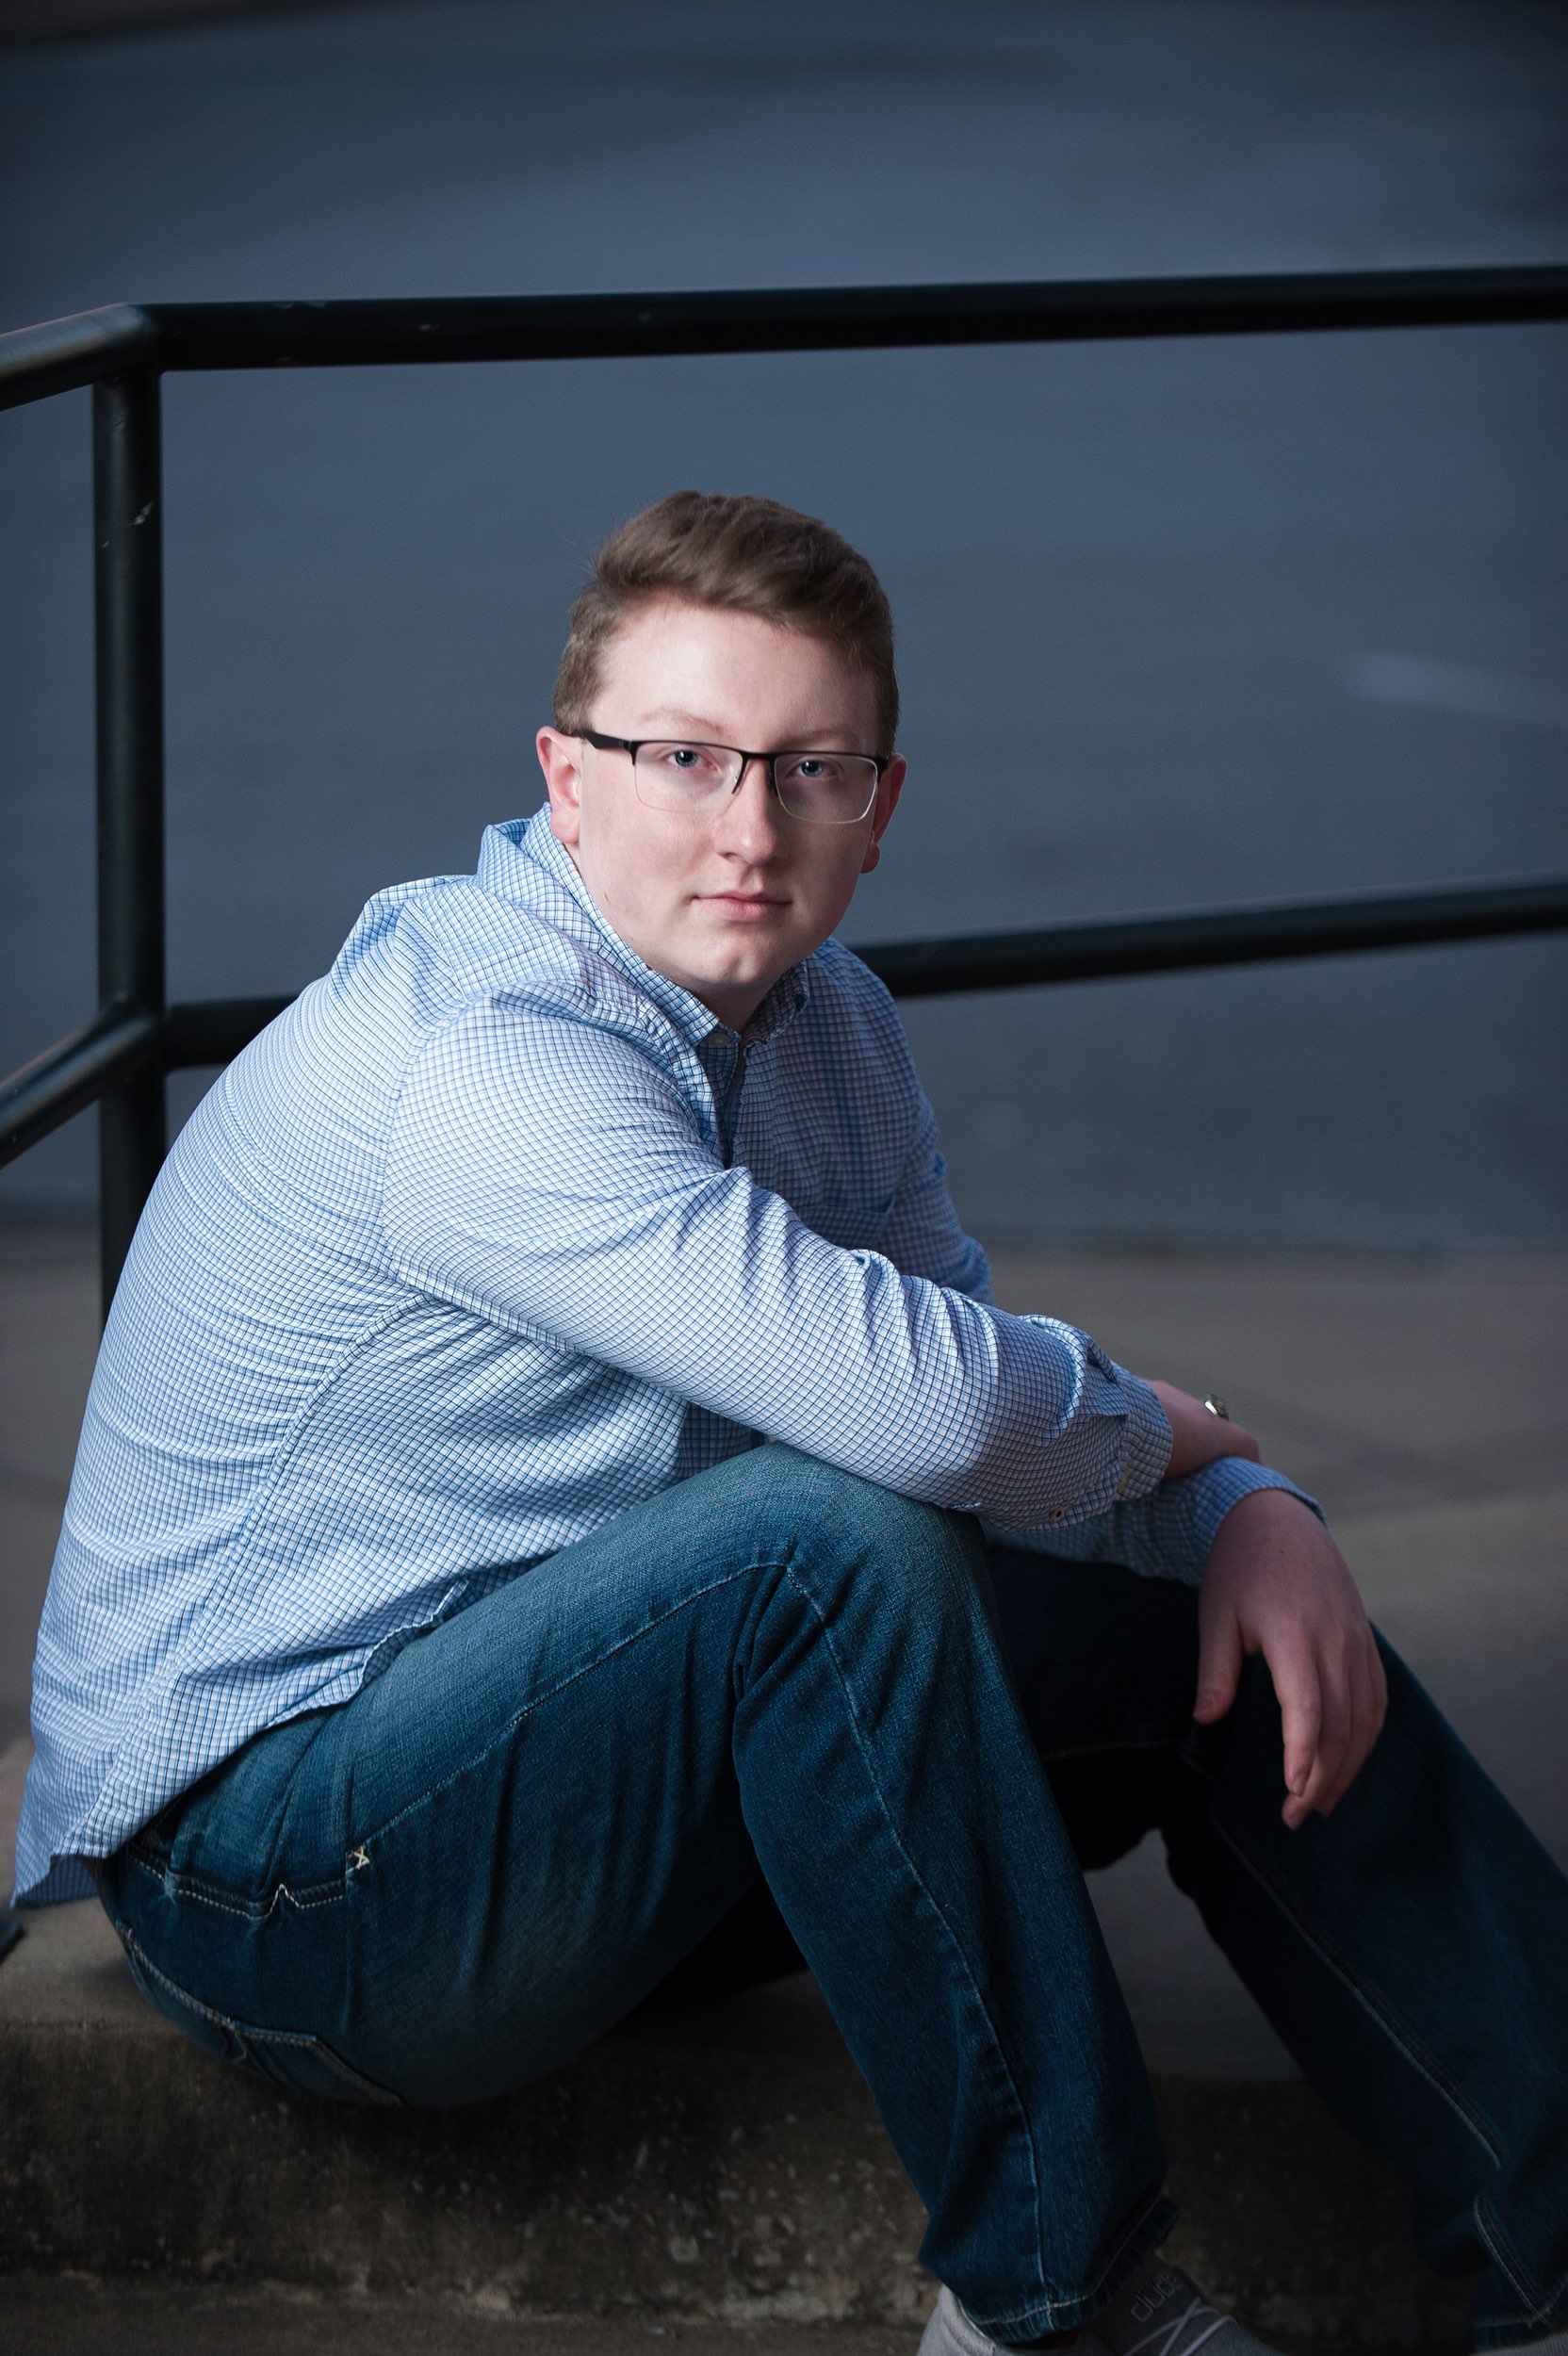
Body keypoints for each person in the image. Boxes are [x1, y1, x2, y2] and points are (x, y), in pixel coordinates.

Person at [15, 493, 1565, 2354]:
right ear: (564, 779)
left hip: (604, 1786)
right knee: (834, 1542)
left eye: (808, 767)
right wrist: (1203, 1441)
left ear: (879, 804)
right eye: (684, 756)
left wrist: (1239, 1510)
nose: (749, 826)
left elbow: (978, 1406)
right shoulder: (476, 1056)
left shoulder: (831, 1026)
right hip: (282, 1870)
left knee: (1210, 1642)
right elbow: (916, 1408)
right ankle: (1059, 2305)